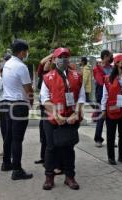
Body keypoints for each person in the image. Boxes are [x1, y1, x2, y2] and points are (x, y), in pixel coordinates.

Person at [40, 47, 85, 190]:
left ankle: (70, 177)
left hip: (71, 118)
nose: (63, 59)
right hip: (52, 119)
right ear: (54, 59)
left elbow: (81, 97)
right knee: (51, 148)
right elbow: (44, 99)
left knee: (68, 148)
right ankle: (49, 177)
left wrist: (75, 113)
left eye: (66, 56)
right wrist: (56, 114)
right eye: (60, 56)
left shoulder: (77, 76)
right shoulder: (48, 77)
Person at [1, 39, 34, 180]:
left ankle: (6, 163)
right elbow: (28, 89)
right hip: (19, 105)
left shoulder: (7, 64)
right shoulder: (21, 67)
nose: (26, 54)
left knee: (9, 136)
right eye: (26, 51)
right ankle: (17, 169)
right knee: (17, 139)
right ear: (21, 52)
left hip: (7, 103)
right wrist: (31, 102)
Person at [93, 50, 113, 147]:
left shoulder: (112, 68)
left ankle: (111, 140)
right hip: (101, 97)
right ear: (105, 57)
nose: (111, 58)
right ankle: (98, 139)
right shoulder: (97, 69)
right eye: (110, 56)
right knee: (101, 118)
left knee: (111, 119)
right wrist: (110, 79)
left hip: (112, 97)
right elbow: (100, 81)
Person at [0, 53, 11, 156]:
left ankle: (8, 151)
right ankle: (6, 149)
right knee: (4, 127)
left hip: (7, 101)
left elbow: (1, 86)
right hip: (2, 101)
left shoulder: (8, 72)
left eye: (3, 61)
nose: (1, 63)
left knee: (7, 127)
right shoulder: (3, 72)